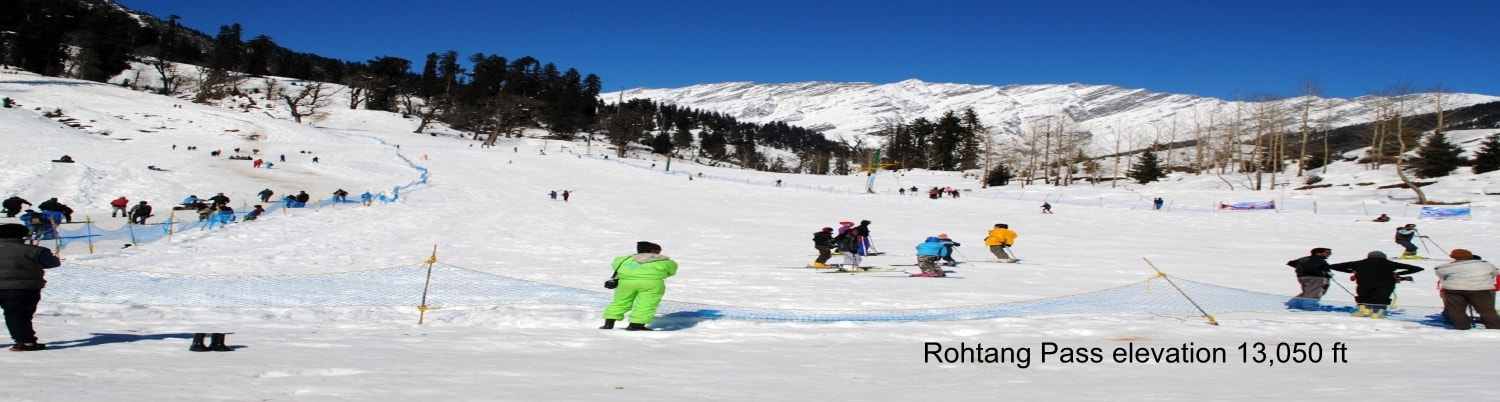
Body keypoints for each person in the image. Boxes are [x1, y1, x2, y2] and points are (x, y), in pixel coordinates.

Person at [0, 224, 61, 351]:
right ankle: (25, 342)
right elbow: (52, 263)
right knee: (18, 315)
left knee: (16, 315)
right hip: (23, 288)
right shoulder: (34, 250)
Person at [600, 241, 678, 331]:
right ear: (654, 250)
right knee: (645, 304)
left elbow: (617, 265)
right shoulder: (663, 261)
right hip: (651, 284)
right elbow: (672, 270)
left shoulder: (627, 259)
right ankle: (636, 325)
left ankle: (608, 323)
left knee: (620, 302)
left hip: (626, 283)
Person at [1328, 251, 1424, 317]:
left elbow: (1334, 266)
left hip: (1364, 284)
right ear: (1384, 257)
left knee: (1364, 298)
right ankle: (1378, 313)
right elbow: (1417, 268)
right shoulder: (1390, 263)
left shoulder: (1360, 263)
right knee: (1381, 299)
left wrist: (1351, 271)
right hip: (1386, 285)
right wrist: (1398, 273)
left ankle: (1363, 311)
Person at [1434, 249, 1500, 330]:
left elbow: (1439, 273)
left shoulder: (1447, 267)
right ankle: (1495, 328)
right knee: (1487, 311)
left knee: (1457, 312)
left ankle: (1462, 328)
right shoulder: (1485, 265)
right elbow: (1495, 273)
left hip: (1454, 290)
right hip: (1480, 289)